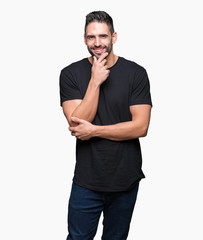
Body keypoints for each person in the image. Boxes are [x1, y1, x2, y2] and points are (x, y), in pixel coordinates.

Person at [59, 10, 152, 240]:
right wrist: (95, 81)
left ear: (114, 37)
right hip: (87, 180)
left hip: (125, 178)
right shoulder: (70, 74)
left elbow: (141, 127)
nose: (97, 43)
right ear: (84, 39)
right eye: (91, 37)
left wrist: (95, 131)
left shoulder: (136, 73)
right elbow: (78, 123)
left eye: (103, 36)